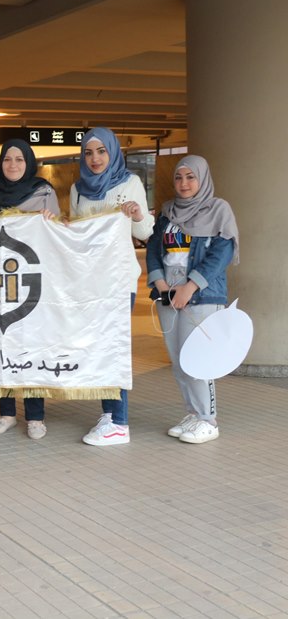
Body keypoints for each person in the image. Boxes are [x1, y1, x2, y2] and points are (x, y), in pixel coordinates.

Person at [68, 127, 153, 446]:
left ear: (113, 152)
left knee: (113, 347)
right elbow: (76, 235)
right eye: (88, 153)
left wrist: (137, 214)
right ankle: (109, 413)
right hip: (91, 282)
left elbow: (145, 232)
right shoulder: (77, 189)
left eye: (101, 151)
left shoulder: (129, 183)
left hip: (118, 279)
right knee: (101, 348)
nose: (95, 159)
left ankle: (119, 422)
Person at [146, 155, 238, 444]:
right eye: (179, 177)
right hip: (168, 296)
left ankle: (208, 420)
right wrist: (160, 282)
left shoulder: (218, 209)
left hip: (202, 296)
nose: (184, 183)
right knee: (179, 361)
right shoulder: (167, 212)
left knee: (199, 360)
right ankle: (193, 413)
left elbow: (221, 253)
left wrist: (190, 287)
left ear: (202, 179)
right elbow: (154, 248)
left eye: (190, 177)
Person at [0, 139, 59, 440]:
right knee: (2, 345)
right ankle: (6, 412)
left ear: (29, 163)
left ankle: (35, 416)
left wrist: (53, 222)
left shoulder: (44, 192)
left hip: (32, 282)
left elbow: (57, 236)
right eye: (7, 159)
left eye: (19, 159)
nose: (12, 165)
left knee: (31, 348)